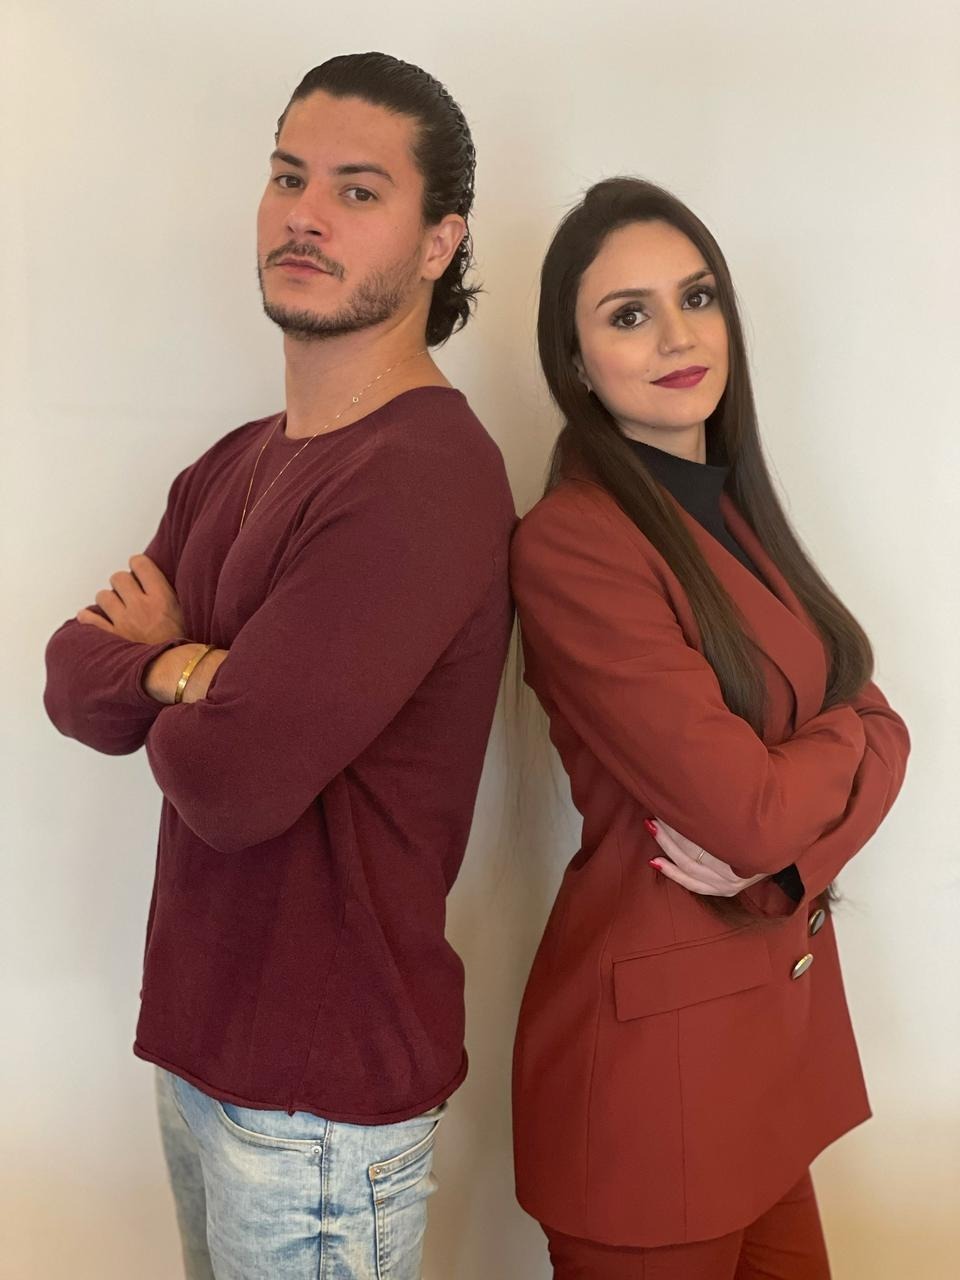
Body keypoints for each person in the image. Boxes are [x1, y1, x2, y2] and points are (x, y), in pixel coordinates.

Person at [43, 52, 515, 1280]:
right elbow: (70, 677)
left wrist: (174, 661)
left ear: (439, 241)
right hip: (202, 1053)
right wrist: (189, 671)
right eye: (288, 176)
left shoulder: (423, 473)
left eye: (358, 190)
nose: (305, 214)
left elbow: (234, 780)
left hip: (319, 1108)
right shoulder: (237, 460)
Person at [509, 177, 910, 1279]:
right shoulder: (575, 543)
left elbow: (881, 727)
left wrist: (794, 837)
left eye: (697, 297)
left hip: (765, 1057)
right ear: (575, 360)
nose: (678, 336)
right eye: (628, 314)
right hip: (654, 1088)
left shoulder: (732, 511)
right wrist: (842, 743)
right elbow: (748, 811)